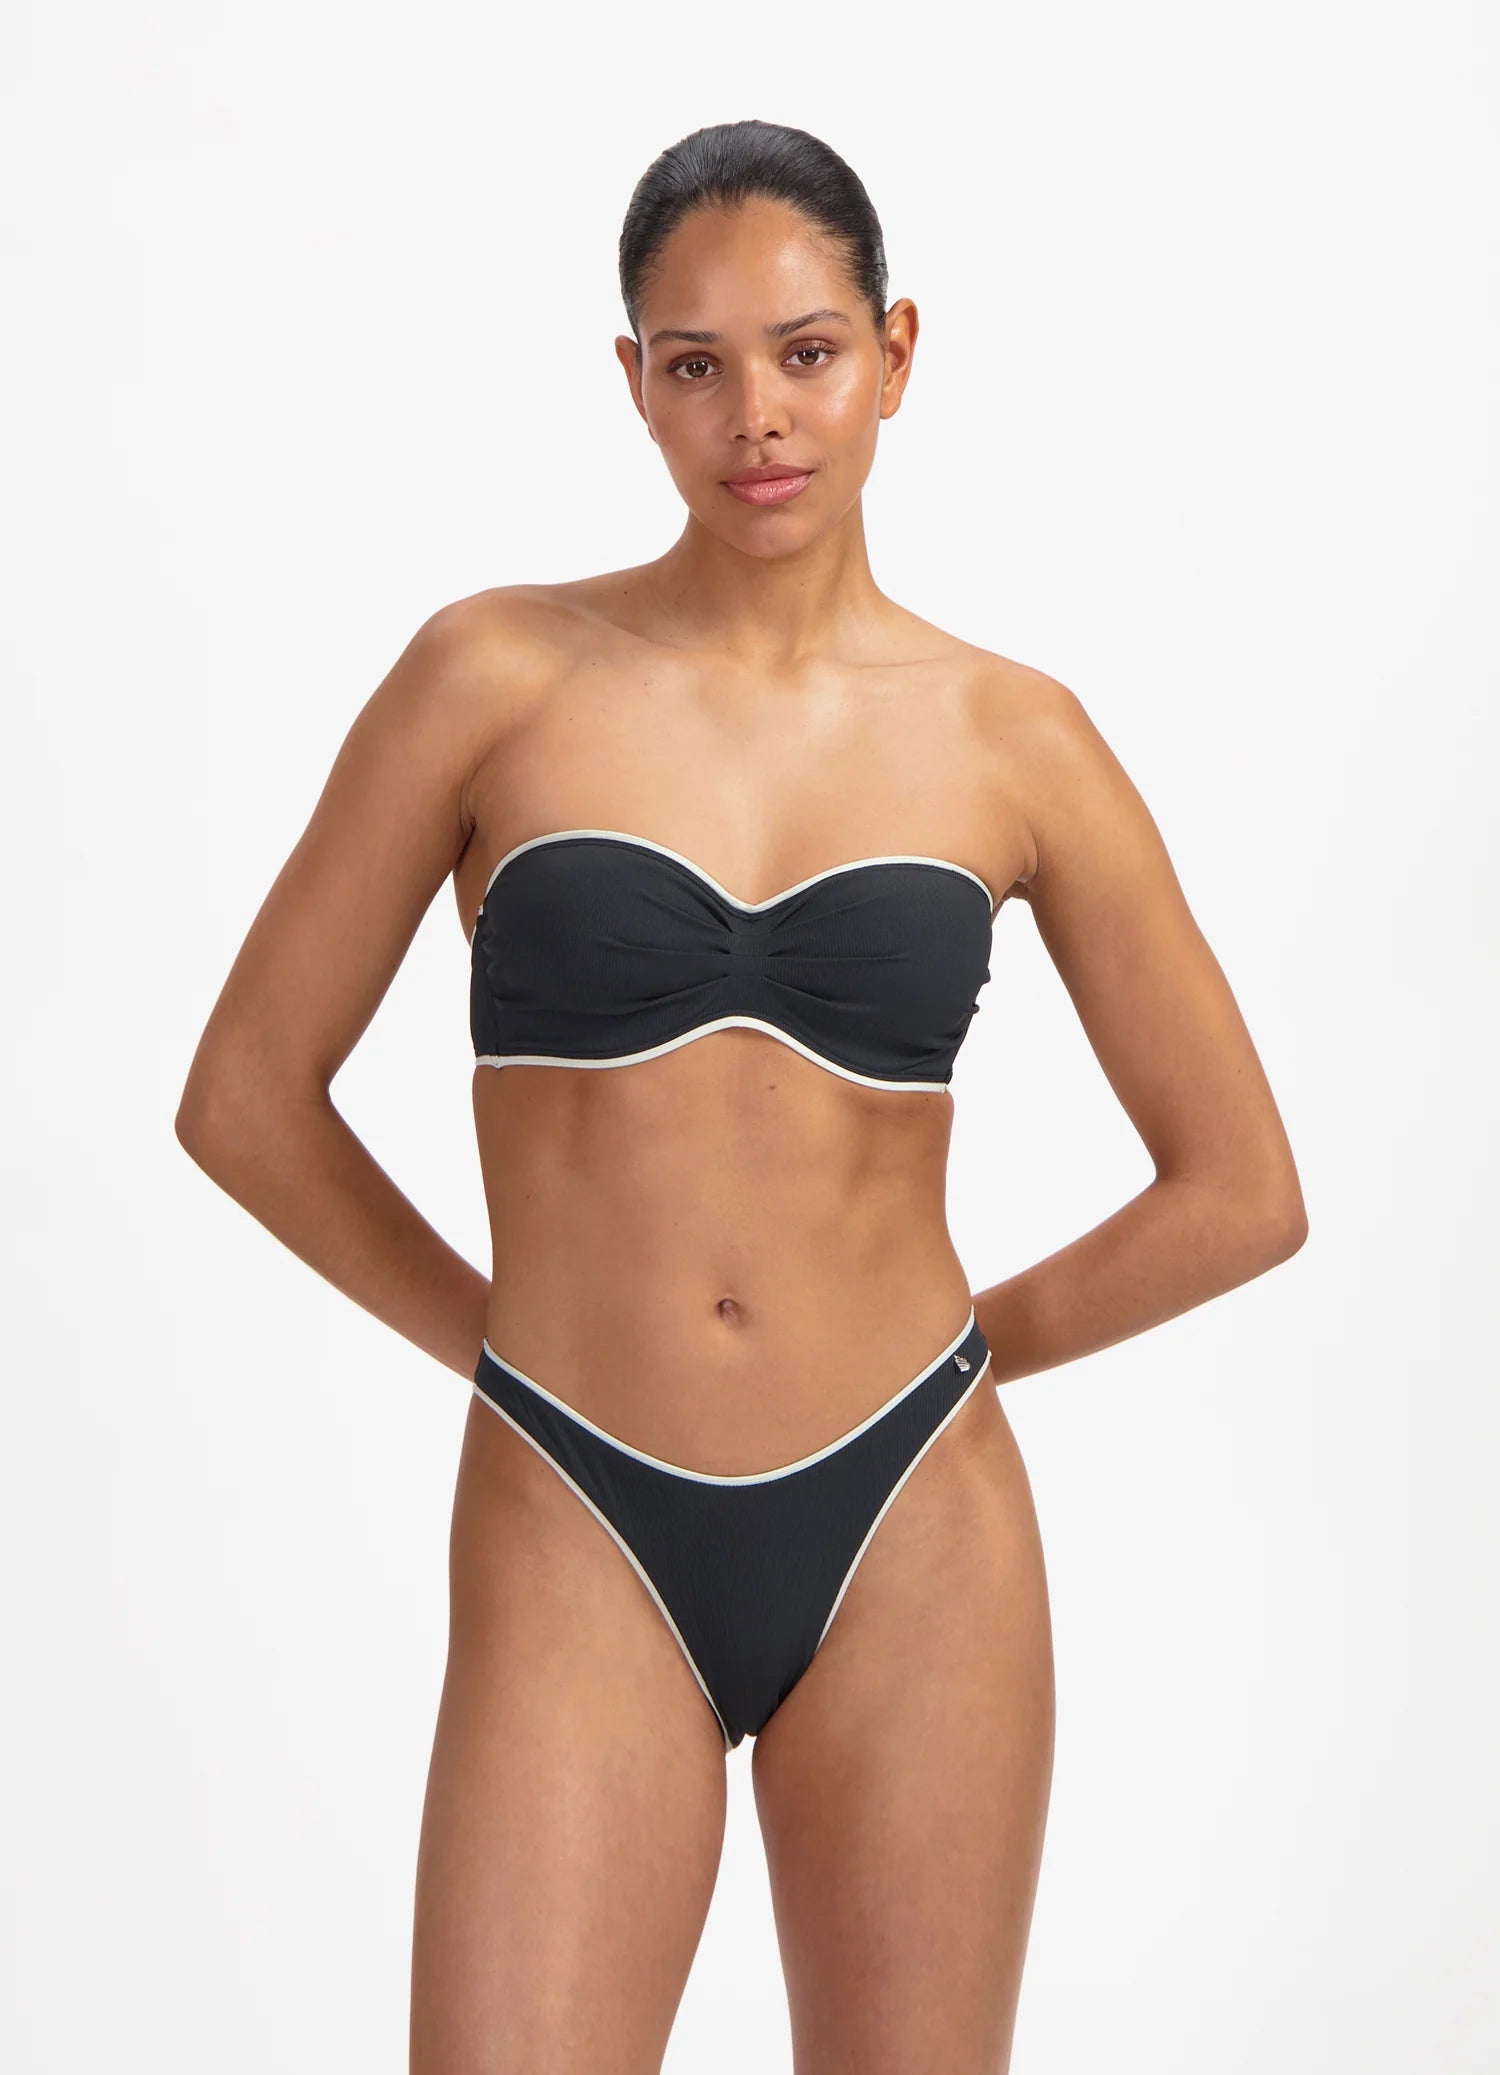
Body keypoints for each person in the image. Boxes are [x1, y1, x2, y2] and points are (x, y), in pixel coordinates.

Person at [176, 117, 1307, 2075]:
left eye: (806, 352)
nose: (756, 416)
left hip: (915, 1520)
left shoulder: (1013, 737)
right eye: (696, 364)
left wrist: (954, 1362)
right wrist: (502, 1348)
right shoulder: (494, 675)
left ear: (896, 355)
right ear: (634, 381)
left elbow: (1241, 1189)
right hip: (573, 1502)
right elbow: (246, 1100)